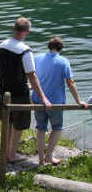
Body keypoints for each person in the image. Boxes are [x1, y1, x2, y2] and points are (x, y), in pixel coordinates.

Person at [0, 17, 52, 162]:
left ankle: (4, 152)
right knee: (19, 125)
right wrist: (43, 98)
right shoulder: (25, 51)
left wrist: (2, 80)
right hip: (20, 93)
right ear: (27, 31)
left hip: (4, 91)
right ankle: (11, 155)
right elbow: (32, 76)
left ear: (14, 29)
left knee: (7, 122)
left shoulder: (2, 45)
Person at [32, 36, 88, 165]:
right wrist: (78, 101)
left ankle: (40, 160)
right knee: (57, 128)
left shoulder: (37, 58)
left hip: (38, 99)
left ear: (49, 46)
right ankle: (49, 156)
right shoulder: (63, 61)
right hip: (55, 102)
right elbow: (70, 82)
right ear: (61, 48)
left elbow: (33, 76)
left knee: (40, 128)